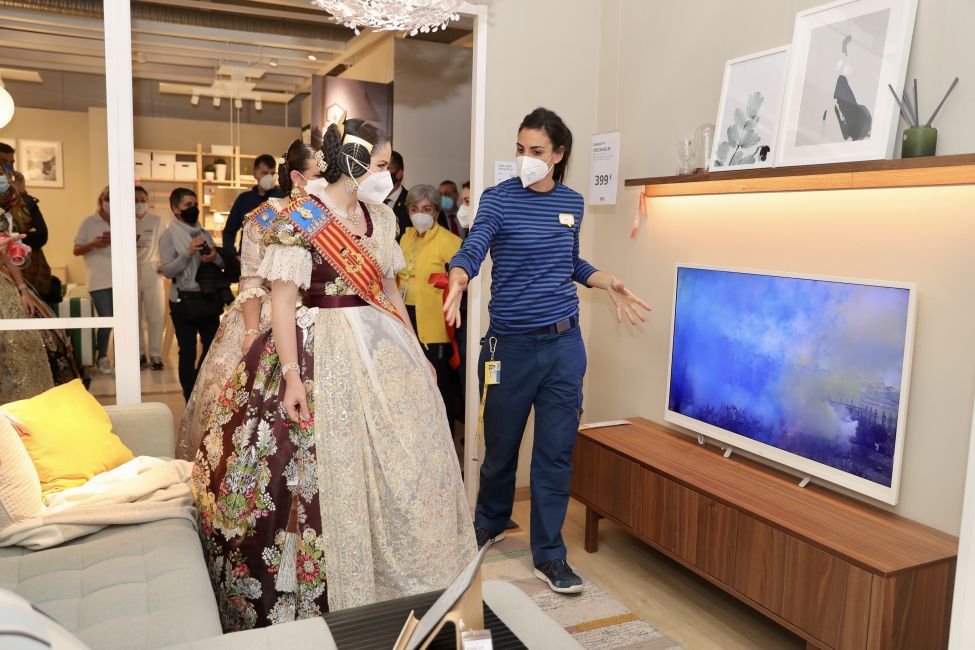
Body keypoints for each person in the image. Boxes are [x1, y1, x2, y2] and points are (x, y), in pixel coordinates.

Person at [191, 118, 474, 631]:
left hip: (381, 346)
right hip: (318, 346)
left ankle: (413, 583)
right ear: (357, 163)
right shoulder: (301, 217)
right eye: (383, 164)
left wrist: (415, 352)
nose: (389, 175)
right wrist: (292, 376)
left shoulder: (381, 217)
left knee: (407, 462)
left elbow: (389, 289)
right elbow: (282, 301)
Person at [445, 107, 651, 594]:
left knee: (556, 453)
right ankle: (491, 520)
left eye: (536, 151)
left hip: (563, 346)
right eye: (520, 149)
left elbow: (569, 262)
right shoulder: (498, 200)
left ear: (558, 155)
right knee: (501, 449)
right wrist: (458, 276)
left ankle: (550, 555)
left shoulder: (571, 203)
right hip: (510, 348)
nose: (526, 158)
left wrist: (604, 280)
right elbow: (474, 247)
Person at [175, 140, 320, 461]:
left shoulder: (326, 215)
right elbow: (251, 278)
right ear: (297, 178)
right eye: (317, 176)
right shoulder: (264, 217)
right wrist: (251, 331)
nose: (324, 183)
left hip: (315, 314)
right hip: (269, 311)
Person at [397, 184, 463, 432]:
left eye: (426, 209)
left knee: (439, 384)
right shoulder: (405, 237)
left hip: (435, 323)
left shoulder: (449, 241)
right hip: (406, 318)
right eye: (415, 209)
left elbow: (464, 280)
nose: (420, 214)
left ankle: (445, 435)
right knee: (410, 382)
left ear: (435, 212)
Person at [159, 188, 224, 401]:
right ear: (175, 209)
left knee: (212, 347)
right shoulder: (168, 236)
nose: (193, 209)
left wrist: (213, 257)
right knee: (187, 352)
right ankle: (189, 396)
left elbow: (220, 263)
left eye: (195, 205)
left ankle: (200, 386)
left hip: (207, 297)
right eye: (188, 205)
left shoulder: (203, 232)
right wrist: (188, 252)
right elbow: (168, 271)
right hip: (183, 300)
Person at [0, 143, 57, 303]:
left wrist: (22, 192)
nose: (9, 168)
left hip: (33, 277)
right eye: (4, 162)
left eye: (11, 163)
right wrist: (18, 237)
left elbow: (41, 236)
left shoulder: (19, 199)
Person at [221, 154, 284, 282]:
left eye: (272, 173)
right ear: (255, 174)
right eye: (264, 173)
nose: (269, 177)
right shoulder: (243, 199)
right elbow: (229, 231)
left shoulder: (283, 197)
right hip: (249, 265)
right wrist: (234, 256)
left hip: (276, 265)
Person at [73, 186, 114, 375]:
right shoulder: (90, 222)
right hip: (98, 281)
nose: (110, 204)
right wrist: (94, 243)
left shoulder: (122, 221)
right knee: (107, 320)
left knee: (123, 321)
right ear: (101, 201)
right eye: (108, 199)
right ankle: (102, 357)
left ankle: (121, 358)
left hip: (121, 280)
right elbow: (76, 250)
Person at [134, 186, 165, 371]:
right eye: (135, 200)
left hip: (152, 269)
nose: (139, 203)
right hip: (130, 271)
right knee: (134, 315)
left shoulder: (157, 221)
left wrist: (163, 265)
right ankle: (139, 353)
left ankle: (155, 354)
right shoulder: (124, 221)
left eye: (142, 200)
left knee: (155, 315)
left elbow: (164, 244)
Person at [384, 150, 410, 239]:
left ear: (399, 174)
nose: (381, 173)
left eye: (386, 168)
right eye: (379, 167)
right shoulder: (371, 200)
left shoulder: (411, 202)